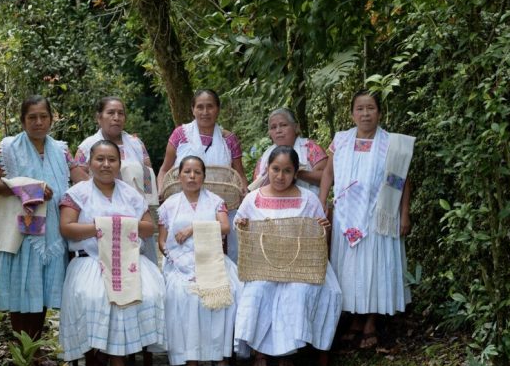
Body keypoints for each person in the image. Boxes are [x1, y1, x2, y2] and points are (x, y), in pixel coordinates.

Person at [59, 140, 166, 366]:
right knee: (98, 296)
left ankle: (113, 351)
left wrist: (118, 225)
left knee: (149, 293)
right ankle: (109, 354)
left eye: (112, 160)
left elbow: (148, 228)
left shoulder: (131, 194)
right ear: (89, 164)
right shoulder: (76, 194)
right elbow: (66, 228)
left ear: (119, 164)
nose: (106, 165)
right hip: (91, 260)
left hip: (128, 258)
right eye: (100, 159)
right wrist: (101, 227)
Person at [0, 95, 83, 345]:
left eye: (43, 116)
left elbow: (82, 180)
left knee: (42, 292)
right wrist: (31, 188)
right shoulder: (6, 148)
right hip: (22, 230)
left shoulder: (61, 150)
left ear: (51, 118)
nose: (38, 122)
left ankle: (34, 350)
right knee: (21, 290)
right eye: (32, 117)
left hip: (54, 229)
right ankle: (22, 353)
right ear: (23, 121)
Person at [318, 90, 414, 349]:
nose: (365, 113)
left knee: (374, 266)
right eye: (360, 108)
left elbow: (402, 181)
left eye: (370, 108)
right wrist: (321, 203)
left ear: (379, 113)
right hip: (345, 216)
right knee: (350, 268)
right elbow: (328, 173)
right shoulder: (341, 140)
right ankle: (356, 318)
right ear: (352, 113)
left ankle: (371, 320)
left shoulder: (392, 144)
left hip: (379, 214)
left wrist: (404, 213)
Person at [234, 146, 342, 366]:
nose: (280, 176)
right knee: (258, 290)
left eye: (287, 171)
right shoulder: (253, 199)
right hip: (262, 264)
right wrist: (241, 225)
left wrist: (323, 228)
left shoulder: (309, 198)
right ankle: (260, 354)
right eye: (275, 169)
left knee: (297, 291)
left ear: (295, 173)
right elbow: (239, 227)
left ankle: (286, 354)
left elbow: (321, 237)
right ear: (267, 169)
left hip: (300, 265)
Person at [157, 155, 240, 366]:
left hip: (212, 257)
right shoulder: (169, 205)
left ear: (204, 177)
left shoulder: (215, 201)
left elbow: (224, 228)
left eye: (197, 172)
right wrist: (172, 258)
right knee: (184, 294)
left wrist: (193, 228)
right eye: (187, 172)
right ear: (179, 175)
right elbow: (162, 240)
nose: (192, 176)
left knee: (228, 291)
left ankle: (220, 356)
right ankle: (190, 357)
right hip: (179, 260)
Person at [157, 89, 248, 262]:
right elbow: (164, 169)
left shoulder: (229, 139)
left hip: (223, 209)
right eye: (200, 107)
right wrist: (161, 191)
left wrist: (245, 195)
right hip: (184, 207)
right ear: (192, 109)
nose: (205, 112)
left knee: (222, 260)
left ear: (218, 109)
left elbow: (239, 174)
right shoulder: (180, 135)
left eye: (210, 107)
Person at [75, 97, 158, 263]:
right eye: (111, 112)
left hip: (137, 215)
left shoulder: (136, 144)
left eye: (121, 113)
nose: (116, 117)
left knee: (139, 265)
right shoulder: (87, 146)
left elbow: (148, 173)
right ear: (99, 117)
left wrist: (143, 204)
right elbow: (79, 180)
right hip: (103, 216)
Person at [252, 108, 327, 195]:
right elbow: (256, 187)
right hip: (273, 206)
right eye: (273, 127)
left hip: (309, 205)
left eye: (283, 125)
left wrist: (296, 173)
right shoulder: (266, 156)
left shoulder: (310, 148)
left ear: (295, 127)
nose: (278, 131)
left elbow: (329, 177)